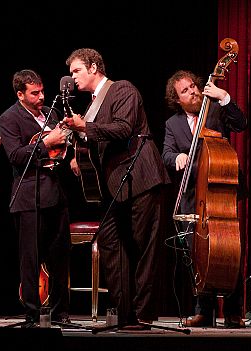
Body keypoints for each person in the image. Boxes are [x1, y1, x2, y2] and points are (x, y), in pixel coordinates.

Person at [63, 48, 170, 329]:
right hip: (117, 184)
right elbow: (95, 136)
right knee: (112, 242)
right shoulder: (92, 105)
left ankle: (143, 314)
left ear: (94, 66)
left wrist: (84, 126)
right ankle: (124, 314)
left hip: (141, 177)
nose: (73, 77)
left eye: (77, 71)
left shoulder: (122, 89)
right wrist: (77, 152)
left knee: (144, 244)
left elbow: (123, 128)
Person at [162, 70, 248, 328]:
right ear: (177, 100)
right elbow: (166, 153)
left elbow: (241, 123)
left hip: (220, 191)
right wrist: (176, 157)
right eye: (185, 91)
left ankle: (233, 310)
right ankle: (203, 310)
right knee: (196, 252)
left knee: (229, 249)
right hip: (192, 196)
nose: (193, 92)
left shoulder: (214, 110)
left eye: (193, 86)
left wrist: (224, 97)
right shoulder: (172, 124)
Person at [0, 69, 72, 327]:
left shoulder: (50, 114)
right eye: (35, 93)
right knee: (30, 257)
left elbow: (61, 145)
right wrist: (46, 142)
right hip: (29, 195)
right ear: (20, 95)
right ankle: (32, 312)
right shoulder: (9, 118)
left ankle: (60, 311)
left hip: (56, 193)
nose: (42, 96)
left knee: (60, 254)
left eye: (42, 90)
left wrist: (69, 148)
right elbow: (16, 155)